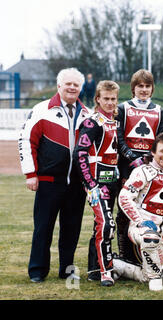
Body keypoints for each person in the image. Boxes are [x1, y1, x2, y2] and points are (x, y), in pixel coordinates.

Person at [18, 67, 90, 283]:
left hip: (76, 184)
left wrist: (89, 180)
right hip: (49, 182)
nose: (71, 87)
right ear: (59, 86)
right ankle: (37, 271)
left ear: (80, 88)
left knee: (71, 229)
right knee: (43, 228)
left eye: (76, 84)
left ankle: (67, 270)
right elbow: (26, 141)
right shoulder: (42, 110)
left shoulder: (87, 114)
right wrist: (31, 174)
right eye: (67, 83)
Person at [115, 69, 163, 265]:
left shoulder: (159, 111)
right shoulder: (123, 109)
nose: (144, 90)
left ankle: (146, 254)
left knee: (148, 210)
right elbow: (118, 137)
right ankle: (125, 255)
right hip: (127, 168)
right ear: (133, 88)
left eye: (147, 86)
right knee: (125, 212)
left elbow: (162, 140)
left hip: (150, 168)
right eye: (140, 86)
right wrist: (131, 157)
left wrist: (147, 158)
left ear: (152, 88)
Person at [113, 132, 163, 291]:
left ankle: (116, 265)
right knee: (150, 239)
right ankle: (156, 280)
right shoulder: (142, 171)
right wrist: (139, 221)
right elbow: (124, 197)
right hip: (140, 227)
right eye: (162, 151)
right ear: (153, 152)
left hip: (162, 230)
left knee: (146, 274)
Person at [73, 80, 120, 286]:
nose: (110, 103)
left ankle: (95, 268)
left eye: (113, 99)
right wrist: (90, 184)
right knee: (107, 225)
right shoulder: (92, 122)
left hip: (113, 181)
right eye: (106, 99)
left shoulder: (114, 121)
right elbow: (80, 154)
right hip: (97, 182)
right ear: (98, 99)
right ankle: (105, 272)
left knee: (102, 226)